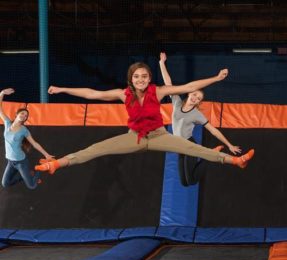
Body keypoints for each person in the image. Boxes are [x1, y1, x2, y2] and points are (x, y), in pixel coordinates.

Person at [35, 62, 254, 175]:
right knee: (95, 149)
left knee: (195, 149)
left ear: (149, 78)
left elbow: (188, 87)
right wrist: (63, 88)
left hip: (159, 136)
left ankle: (235, 160)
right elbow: (92, 93)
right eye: (137, 76)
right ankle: (57, 164)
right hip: (135, 138)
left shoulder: (157, 91)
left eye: (145, 76)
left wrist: (216, 78)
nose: (141, 79)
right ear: (131, 78)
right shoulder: (123, 94)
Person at [159, 52, 242, 186]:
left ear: (198, 103)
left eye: (198, 98)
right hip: (179, 147)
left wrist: (229, 145)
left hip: (189, 144)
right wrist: (161, 63)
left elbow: (213, 130)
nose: (195, 98)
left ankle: (210, 155)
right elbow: (168, 83)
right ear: (189, 92)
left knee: (191, 180)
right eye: (195, 94)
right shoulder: (177, 102)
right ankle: (210, 154)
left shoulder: (196, 114)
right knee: (185, 183)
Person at [0, 88, 53, 189]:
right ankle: (27, 175)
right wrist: (2, 93)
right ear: (17, 114)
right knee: (5, 184)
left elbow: (34, 143)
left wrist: (46, 155)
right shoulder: (7, 123)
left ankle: (38, 169)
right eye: (22, 113)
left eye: (26, 116)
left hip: (21, 162)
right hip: (11, 162)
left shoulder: (24, 130)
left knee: (32, 186)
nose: (24, 116)